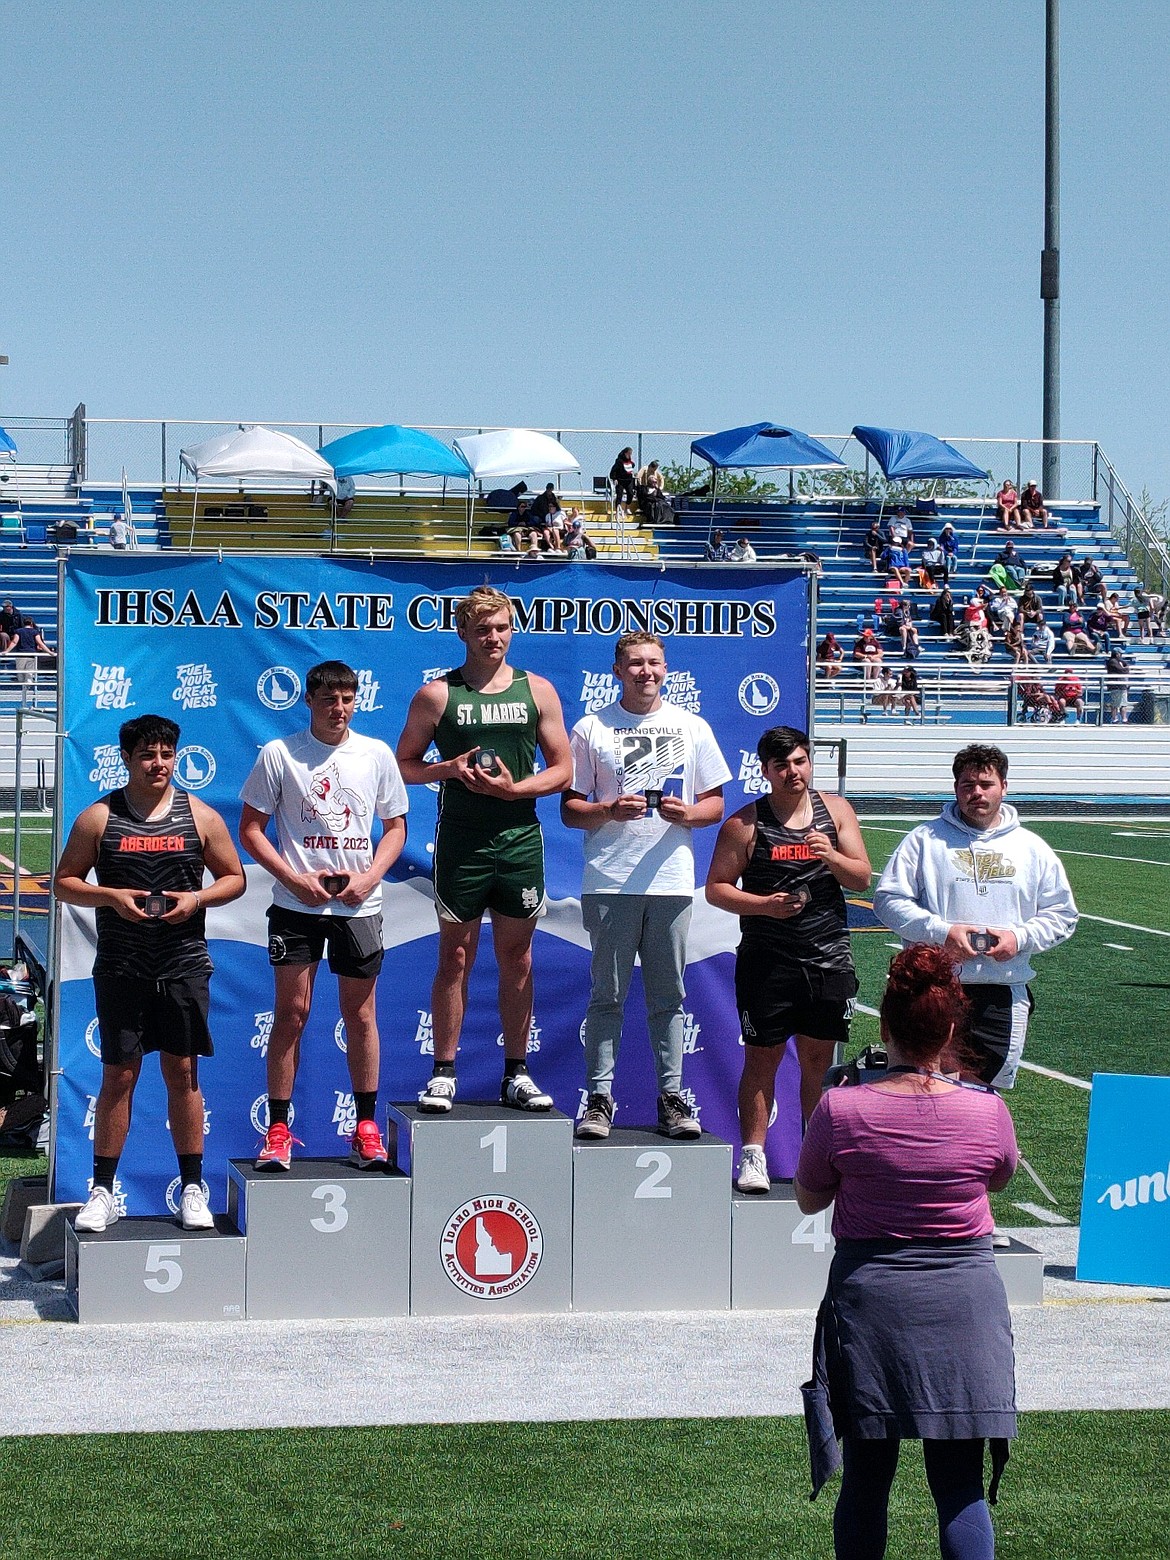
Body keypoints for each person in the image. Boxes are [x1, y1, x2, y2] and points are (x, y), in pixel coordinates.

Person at [796, 944, 1019, 1560]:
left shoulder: (842, 1106)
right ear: (952, 1030)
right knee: (959, 1486)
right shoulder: (989, 1110)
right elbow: (996, 1179)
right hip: (965, 1307)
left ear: (884, 1027)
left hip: (873, 1306)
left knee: (867, 1483)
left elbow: (810, 1200)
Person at [54, 714, 246, 1232]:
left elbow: (235, 879)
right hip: (122, 964)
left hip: (183, 963)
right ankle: (101, 1191)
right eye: (147, 755)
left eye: (166, 754)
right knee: (119, 1075)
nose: (158, 764)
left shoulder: (199, 815)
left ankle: (191, 1189)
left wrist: (197, 899)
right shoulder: (99, 817)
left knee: (183, 1075)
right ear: (127, 759)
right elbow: (64, 883)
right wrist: (110, 897)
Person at [396, 585, 573, 1113]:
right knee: (454, 956)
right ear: (463, 634)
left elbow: (563, 769)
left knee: (517, 957)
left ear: (511, 630)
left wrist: (516, 790)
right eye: (482, 630)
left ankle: (517, 1071)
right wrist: (448, 769)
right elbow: (404, 765)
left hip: (518, 838)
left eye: (501, 628)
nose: (493, 638)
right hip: (462, 841)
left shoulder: (537, 690)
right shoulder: (437, 694)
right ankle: (444, 1072)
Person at [239, 661, 409, 1171]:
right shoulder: (280, 754)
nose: (339, 708)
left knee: (360, 1017)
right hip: (297, 906)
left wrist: (370, 877)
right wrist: (293, 879)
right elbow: (250, 828)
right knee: (291, 1014)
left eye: (348, 698)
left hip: (358, 906)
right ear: (309, 701)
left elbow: (396, 827)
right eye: (329, 699)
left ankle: (366, 1128)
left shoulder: (376, 753)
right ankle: (278, 1131)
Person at [563, 633, 730, 1140]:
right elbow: (570, 810)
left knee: (668, 996)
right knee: (607, 995)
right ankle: (597, 1097)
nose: (645, 672)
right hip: (610, 881)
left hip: (671, 881)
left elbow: (715, 805)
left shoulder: (691, 726)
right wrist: (608, 810)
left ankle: (673, 1098)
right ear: (617, 671)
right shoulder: (592, 728)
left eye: (654, 663)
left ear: (666, 669)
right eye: (635, 663)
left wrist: (689, 814)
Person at [705, 727, 870, 1192]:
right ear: (765, 771)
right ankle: (753, 1156)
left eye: (800, 761)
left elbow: (861, 878)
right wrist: (764, 905)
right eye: (782, 765)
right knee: (762, 1060)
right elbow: (717, 888)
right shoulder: (745, 823)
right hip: (768, 961)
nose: (792, 772)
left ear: (809, 762)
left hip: (828, 957)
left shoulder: (834, 810)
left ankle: (814, 1157)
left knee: (818, 1063)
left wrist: (830, 855)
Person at [873, 743, 1077, 1090]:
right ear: (955, 789)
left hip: (1001, 989)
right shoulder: (924, 840)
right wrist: (942, 932)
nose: (977, 793)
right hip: (934, 986)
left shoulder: (1032, 848)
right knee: (925, 1082)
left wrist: (1020, 938)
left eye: (986, 784)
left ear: (1004, 787)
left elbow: (1064, 914)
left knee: (985, 1090)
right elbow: (887, 901)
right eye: (968, 785)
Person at [1104, 646, 1131, 723]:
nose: (1121, 655)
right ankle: (1114, 718)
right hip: (1115, 685)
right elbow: (1121, 670)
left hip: (1122, 685)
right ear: (1117, 654)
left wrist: (1125, 666)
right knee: (1115, 703)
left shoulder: (1120, 661)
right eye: (1120, 654)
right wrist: (1127, 668)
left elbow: (1125, 666)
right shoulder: (1112, 661)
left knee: (1124, 703)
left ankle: (1124, 719)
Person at [609, 447, 637, 512]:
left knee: (630, 493)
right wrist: (614, 478)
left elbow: (631, 468)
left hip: (629, 481)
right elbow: (613, 471)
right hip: (620, 481)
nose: (629, 455)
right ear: (625, 453)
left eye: (630, 454)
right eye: (628, 454)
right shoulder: (619, 462)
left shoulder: (631, 463)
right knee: (619, 495)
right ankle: (617, 509)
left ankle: (627, 506)